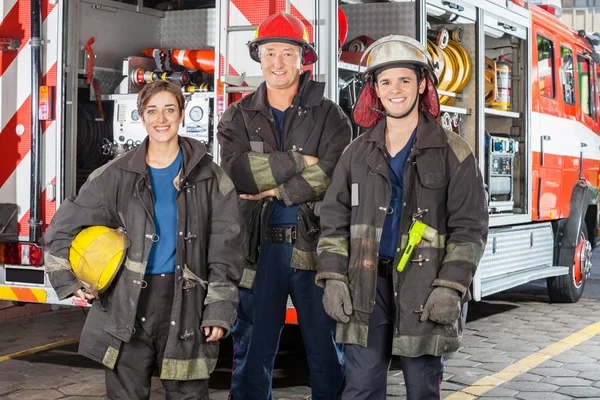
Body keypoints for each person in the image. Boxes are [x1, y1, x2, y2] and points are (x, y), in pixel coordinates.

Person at [43, 80, 246, 400]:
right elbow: (62, 229)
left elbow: (228, 245)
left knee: (188, 393)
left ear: (181, 114)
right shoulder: (115, 174)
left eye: (169, 109)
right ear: (141, 116)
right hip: (126, 304)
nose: (161, 118)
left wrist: (219, 308)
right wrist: (70, 281)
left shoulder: (210, 175)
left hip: (187, 303)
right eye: (152, 111)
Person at [315, 35, 489, 400]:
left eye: (405, 80)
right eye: (386, 82)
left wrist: (450, 285)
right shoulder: (355, 153)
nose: (396, 90)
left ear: (422, 83)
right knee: (360, 387)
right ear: (375, 91)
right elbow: (332, 220)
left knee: (422, 388)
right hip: (365, 285)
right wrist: (332, 276)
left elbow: (470, 227)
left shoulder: (454, 152)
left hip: (425, 287)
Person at [217, 11, 351, 400]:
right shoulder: (237, 116)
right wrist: (300, 161)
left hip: (313, 248)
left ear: (302, 58)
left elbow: (334, 172)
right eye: (270, 52)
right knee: (252, 352)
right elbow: (238, 174)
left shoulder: (330, 114)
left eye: (287, 53)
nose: (278, 62)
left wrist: (277, 191)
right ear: (258, 56)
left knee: (327, 352)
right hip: (258, 251)